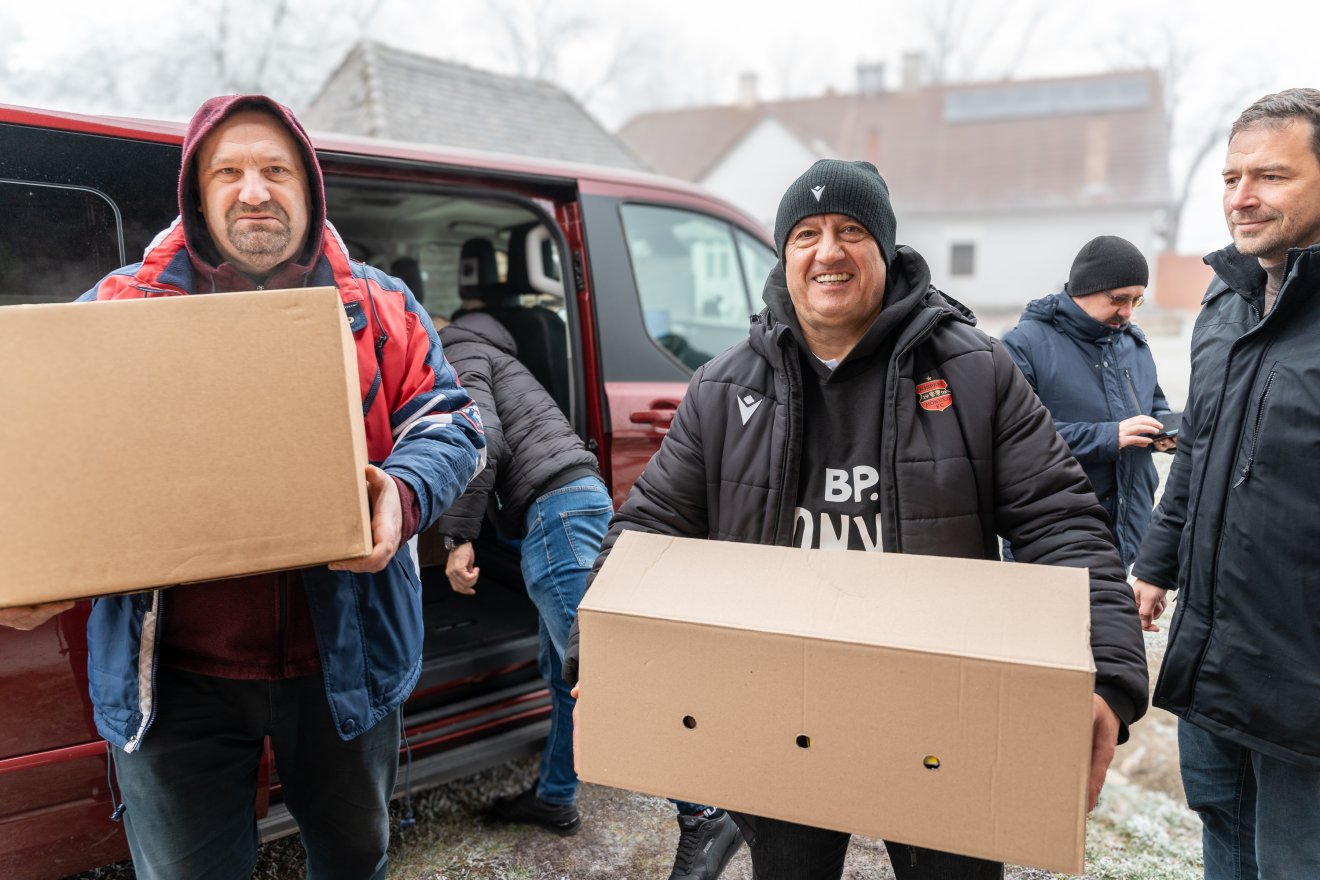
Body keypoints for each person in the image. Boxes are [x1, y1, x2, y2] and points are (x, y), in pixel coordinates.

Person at [564, 159, 1148, 880]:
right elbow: (650, 528)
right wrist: (598, 653)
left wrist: (1108, 675)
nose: (827, 251)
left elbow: (1062, 522)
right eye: (805, 234)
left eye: (850, 230)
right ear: (784, 255)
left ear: (886, 248)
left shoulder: (977, 371)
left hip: (943, 697)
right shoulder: (722, 386)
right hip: (780, 696)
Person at [0, 94, 485, 880]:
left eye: (275, 171)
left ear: (309, 187)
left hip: (348, 663)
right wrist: (24, 557)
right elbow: (36, 448)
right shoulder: (118, 307)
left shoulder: (380, 305)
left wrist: (402, 493)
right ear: (197, 193)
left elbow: (452, 421)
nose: (253, 191)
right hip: (172, 681)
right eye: (228, 172)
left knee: (355, 861)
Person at [435, 305, 742, 878]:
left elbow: (480, 437)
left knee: (603, 674)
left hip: (556, 515)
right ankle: (555, 796)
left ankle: (704, 812)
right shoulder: (494, 353)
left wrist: (459, 536)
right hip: (571, 506)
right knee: (564, 673)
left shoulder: (457, 349)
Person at [1132, 88, 1320, 879]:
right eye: (1231, 177)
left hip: (1302, 682)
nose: (1242, 197)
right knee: (1223, 838)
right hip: (1215, 655)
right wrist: (1155, 562)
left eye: (1271, 176)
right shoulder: (1225, 299)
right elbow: (1200, 449)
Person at [1000, 236, 1175, 568]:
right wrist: (1109, 436)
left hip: (1126, 534)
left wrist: (1165, 432)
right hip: (1050, 538)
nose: (1127, 312)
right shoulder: (1023, 345)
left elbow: (1154, 405)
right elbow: (1012, 438)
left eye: (1136, 300)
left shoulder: (1133, 343)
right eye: (1118, 299)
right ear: (1084, 288)